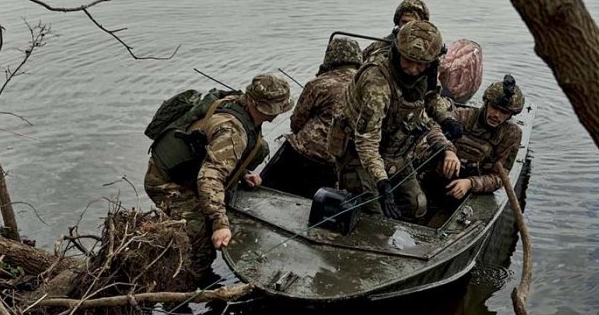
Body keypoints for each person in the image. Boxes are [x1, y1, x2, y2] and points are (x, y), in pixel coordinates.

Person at [143, 72, 293, 282]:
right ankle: (180, 289)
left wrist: (242, 174)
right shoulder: (233, 132)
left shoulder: (236, 104)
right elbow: (209, 178)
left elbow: (213, 152)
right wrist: (219, 224)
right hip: (166, 182)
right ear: (268, 110)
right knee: (201, 245)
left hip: (186, 170)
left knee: (260, 149)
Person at [333, 20, 461, 223]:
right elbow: (366, 141)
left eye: (420, 64)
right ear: (397, 52)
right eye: (408, 61)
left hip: (395, 151)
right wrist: (382, 181)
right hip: (358, 154)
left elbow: (431, 96)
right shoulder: (377, 82)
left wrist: (446, 118)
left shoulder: (426, 72)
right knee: (373, 212)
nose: (413, 69)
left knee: (417, 204)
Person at [262, 37, 362, 197]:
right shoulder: (368, 85)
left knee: (268, 187)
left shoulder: (318, 84)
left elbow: (296, 122)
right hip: (342, 160)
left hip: (306, 155)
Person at [442, 74, 524, 199]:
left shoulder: (511, 134)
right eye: (494, 108)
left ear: (510, 116)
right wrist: (449, 151)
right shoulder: (463, 116)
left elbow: (499, 177)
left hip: (473, 184)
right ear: (486, 104)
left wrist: (471, 183)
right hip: (441, 175)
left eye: (504, 112)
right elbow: (435, 129)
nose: (497, 115)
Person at [362, 0, 430, 62]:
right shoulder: (380, 46)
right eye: (404, 22)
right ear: (398, 22)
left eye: (412, 23)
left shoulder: (431, 48)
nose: (406, 26)